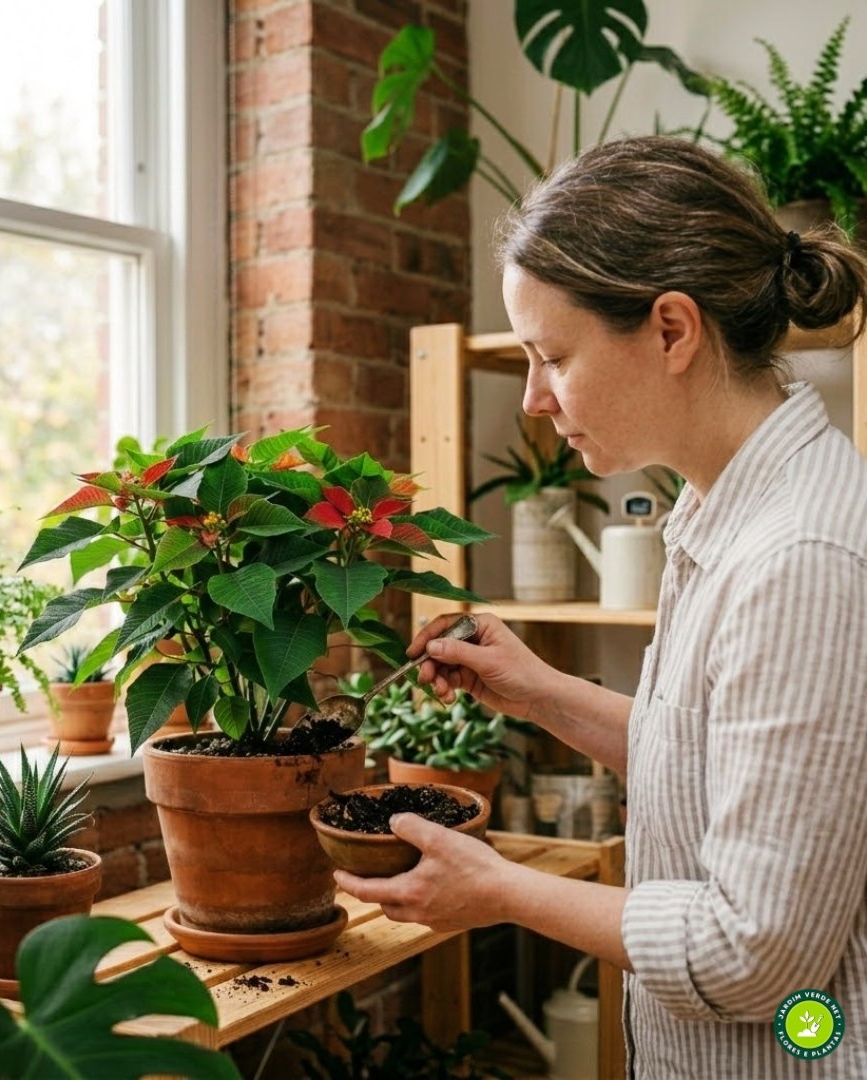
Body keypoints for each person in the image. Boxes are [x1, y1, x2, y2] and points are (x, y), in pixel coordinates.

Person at [336, 136, 867, 1078]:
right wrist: (540, 692)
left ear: (671, 331)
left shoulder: (801, 559)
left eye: (553, 356)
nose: (534, 400)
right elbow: (715, 756)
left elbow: (755, 955)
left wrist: (501, 890)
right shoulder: (721, 510)